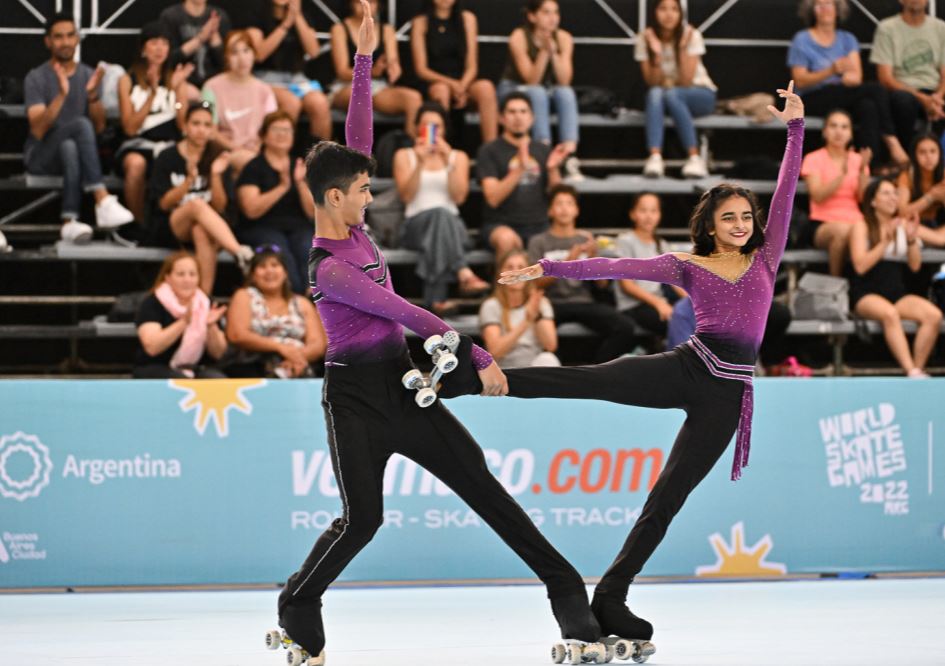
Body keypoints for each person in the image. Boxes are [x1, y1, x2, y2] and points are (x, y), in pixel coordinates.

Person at [275, 4, 600, 661]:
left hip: (401, 385)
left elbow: (357, 137)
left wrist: (364, 61)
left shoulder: (355, 224)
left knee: (487, 490)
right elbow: (405, 312)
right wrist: (476, 350)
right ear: (334, 198)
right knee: (363, 521)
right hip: (356, 402)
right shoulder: (327, 267)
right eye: (363, 190)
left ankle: (571, 606)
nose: (372, 196)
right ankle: (297, 604)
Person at [494, 82, 804, 645]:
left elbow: (786, 192)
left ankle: (612, 596)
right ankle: (488, 379)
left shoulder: (765, 258)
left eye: (746, 216)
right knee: (592, 378)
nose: (741, 224)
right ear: (711, 225)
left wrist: (795, 129)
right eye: (729, 217)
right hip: (688, 367)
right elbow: (616, 266)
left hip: (727, 396)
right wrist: (551, 269)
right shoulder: (686, 264)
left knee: (665, 500)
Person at [23, 13, 134, 244]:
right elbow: (38, 130)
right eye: (59, 37)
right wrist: (62, 95)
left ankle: (69, 221)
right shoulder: (36, 77)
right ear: (48, 42)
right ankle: (101, 197)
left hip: (74, 155)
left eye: (70, 35)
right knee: (78, 128)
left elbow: (100, 127)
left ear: (78, 38)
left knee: (71, 146)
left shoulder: (88, 75)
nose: (65, 42)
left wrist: (93, 96)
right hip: (42, 155)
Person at [147, 100, 253, 295]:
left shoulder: (219, 157)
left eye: (206, 125)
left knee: (200, 230)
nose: (201, 130)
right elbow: (162, 204)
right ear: (185, 126)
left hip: (210, 227)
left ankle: (203, 299)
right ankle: (239, 253)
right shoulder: (167, 156)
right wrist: (188, 182)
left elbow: (220, 207)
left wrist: (214, 176)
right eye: (196, 124)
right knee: (195, 205)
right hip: (172, 226)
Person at [393, 101, 489, 314]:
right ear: (417, 127)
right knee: (439, 215)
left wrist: (447, 161)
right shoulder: (404, 155)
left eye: (436, 126)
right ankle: (463, 272)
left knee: (442, 216)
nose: (432, 131)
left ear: (444, 129)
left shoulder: (458, 157)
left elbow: (459, 197)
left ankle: (435, 300)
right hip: (415, 226)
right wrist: (419, 163)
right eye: (425, 125)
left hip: (454, 227)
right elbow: (407, 196)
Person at [788, 0, 910, 166]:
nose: (825, 9)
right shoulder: (802, 39)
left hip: (842, 94)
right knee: (876, 90)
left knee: (868, 106)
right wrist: (831, 71)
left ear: (837, 10)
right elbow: (801, 81)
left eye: (829, 5)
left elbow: (856, 78)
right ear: (812, 10)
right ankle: (892, 142)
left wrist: (841, 76)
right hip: (812, 98)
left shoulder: (847, 39)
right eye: (819, 5)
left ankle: (868, 166)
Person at [527, 184, 640, 362]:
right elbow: (533, 284)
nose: (564, 208)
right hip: (551, 304)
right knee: (542, 336)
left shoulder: (586, 239)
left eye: (569, 203)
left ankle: (598, 371)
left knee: (625, 327)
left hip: (584, 301)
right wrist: (564, 264)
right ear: (550, 210)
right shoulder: (539, 242)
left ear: (577, 210)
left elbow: (602, 285)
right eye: (559, 204)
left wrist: (595, 261)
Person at [849, 178, 941, 377]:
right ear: (873, 201)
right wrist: (885, 242)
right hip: (866, 291)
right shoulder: (862, 226)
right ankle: (910, 369)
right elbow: (860, 266)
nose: (893, 198)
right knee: (890, 314)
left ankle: (917, 370)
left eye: (895, 193)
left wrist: (910, 240)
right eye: (886, 193)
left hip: (896, 291)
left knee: (933, 316)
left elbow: (915, 266)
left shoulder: (903, 225)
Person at [117, 21, 193, 226]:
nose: (160, 49)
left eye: (164, 43)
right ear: (143, 48)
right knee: (136, 165)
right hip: (138, 144)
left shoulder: (176, 80)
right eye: (154, 43)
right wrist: (151, 93)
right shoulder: (127, 80)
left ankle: (171, 224)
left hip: (170, 144)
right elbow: (130, 128)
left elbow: (184, 127)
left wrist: (177, 91)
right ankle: (139, 223)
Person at [477, 91, 569, 258]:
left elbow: (556, 195)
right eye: (512, 112)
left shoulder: (543, 150)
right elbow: (492, 198)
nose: (518, 117)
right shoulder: (489, 151)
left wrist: (553, 169)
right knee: (506, 239)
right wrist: (519, 169)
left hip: (540, 225)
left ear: (532, 118)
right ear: (501, 118)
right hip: (501, 224)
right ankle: (508, 285)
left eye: (523, 112)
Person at [236, 110, 316, 294]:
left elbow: (313, 213)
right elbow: (250, 210)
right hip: (262, 226)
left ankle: (312, 302)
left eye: (287, 130)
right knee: (281, 255)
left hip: (298, 227)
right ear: (263, 136)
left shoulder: (300, 166)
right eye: (276, 129)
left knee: (309, 250)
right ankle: (294, 298)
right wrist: (282, 186)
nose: (282, 134)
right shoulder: (254, 167)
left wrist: (300, 184)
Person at [498, 0, 581, 178]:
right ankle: (543, 151)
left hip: (545, 90)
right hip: (514, 88)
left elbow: (565, 80)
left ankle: (569, 154)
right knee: (537, 93)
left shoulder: (564, 38)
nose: (553, 18)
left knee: (566, 93)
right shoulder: (519, 36)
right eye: (546, 13)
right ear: (532, 16)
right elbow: (531, 79)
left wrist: (554, 54)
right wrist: (543, 53)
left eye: (556, 13)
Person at [638, 0, 715, 179]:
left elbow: (686, 81)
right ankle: (655, 156)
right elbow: (652, 82)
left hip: (701, 93)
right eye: (663, 8)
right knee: (655, 93)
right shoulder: (645, 37)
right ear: (654, 12)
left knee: (672, 94)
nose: (669, 14)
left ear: (681, 13)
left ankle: (694, 157)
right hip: (666, 96)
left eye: (674, 9)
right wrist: (656, 54)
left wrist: (681, 48)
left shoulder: (691, 35)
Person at [225, 246, 326, 377]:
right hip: (254, 365)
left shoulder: (302, 303)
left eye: (275, 265)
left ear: (285, 272)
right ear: (253, 275)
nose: (269, 271)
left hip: (297, 366)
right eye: (262, 266)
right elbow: (237, 335)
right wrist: (280, 347)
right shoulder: (244, 296)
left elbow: (317, 344)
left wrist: (295, 358)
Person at [329, 0, 424, 136]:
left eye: (372, 2)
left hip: (377, 87)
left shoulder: (386, 30)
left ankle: (412, 151)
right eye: (359, 2)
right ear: (351, 3)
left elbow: (393, 61)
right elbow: (342, 71)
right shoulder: (339, 29)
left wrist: (393, 69)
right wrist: (371, 72)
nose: (366, 6)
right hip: (347, 86)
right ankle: (358, 151)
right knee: (361, 94)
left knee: (413, 98)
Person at [410, 0, 498, 143]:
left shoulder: (468, 19)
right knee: (442, 90)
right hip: (434, 80)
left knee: (485, 88)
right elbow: (421, 69)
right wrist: (453, 85)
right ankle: (437, 147)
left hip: (464, 80)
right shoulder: (421, 22)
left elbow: (472, 66)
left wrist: (462, 87)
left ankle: (492, 149)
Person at [134, 251, 228, 378]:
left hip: (196, 368)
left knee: (217, 380)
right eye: (180, 274)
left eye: (192, 274)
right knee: (180, 381)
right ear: (167, 277)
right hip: (156, 367)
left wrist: (211, 326)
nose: (187, 280)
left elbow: (218, 353)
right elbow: (152, 347)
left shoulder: (206, 303)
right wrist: (183, 322)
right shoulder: (153, 302)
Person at [247, 0, 332, 141]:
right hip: (266, 77)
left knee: (320, 103)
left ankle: (321, 158)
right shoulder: (257, 16)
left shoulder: (303, 16)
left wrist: (296, 16)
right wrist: (285, 25)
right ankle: (283, 156)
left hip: (296, 78)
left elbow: (313, 51)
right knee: (291, 103)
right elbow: (259, 55)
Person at [800, 109, 870, 275]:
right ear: (825, 131)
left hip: (855, 221)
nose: (839, 131)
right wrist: (842, 175)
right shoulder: (813, 158)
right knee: (843, 231)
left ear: (851, 134)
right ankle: (836, 282)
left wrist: (861, 173)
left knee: (864, 230)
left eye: (844, 127)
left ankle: (859, 287)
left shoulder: (858, 160)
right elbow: (817, 196)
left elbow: (863, 199)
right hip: (823, 222)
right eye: (833, 126)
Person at [201, 30, 279, 174]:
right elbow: (209, 128)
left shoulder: (264, 90)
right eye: (234, 53)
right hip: (224, 152)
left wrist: (259, 147)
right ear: (226, 57)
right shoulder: (211, 87)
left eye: (246, 50)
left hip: (257, 152)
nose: (242, 58)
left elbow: (272, 127)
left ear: (254, 54)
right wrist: (234, 147)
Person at [871, 0, 945, 149]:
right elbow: (885, 78)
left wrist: (937, 98)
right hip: (903, 89)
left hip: (935, 90)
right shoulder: (887, 28)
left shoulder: (940, 28)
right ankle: (908, 156)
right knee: (903, 101)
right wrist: (922, 98)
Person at [615, 192, 686, 339]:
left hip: (657, 302)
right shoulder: (625, 241)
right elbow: (627, 286)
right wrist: (658, 303)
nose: (649, 216)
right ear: (632, 214)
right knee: (679, 323)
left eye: (653, 211)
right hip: (634, 306)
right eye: (643, 210)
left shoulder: (662, 245)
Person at [479, 249, 560, 368]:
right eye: (509, 267)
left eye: (521, 267)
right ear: (500, 273)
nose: (516, 272)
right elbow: (495, 351)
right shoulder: (491, 305)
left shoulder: (540, 302)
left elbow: (550, 345)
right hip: (505, 368)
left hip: (534, 365)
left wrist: (537, 315)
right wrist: (526, 321)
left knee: (548, 358)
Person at [159, 0, 232, 88]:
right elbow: (168, 59)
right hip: (182, 82)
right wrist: (200, 38)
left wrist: (215, 39)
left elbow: (227, 63)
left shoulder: (220, 16)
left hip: (215, 84)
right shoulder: (170, 16)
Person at [897, 133, 945, 230]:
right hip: (915, 224)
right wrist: (931, 196)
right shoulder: (907, 176)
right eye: (922, 152)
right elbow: (902, 212)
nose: (928, 157)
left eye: (933, 151)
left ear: (940, 154)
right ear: (915, 156)